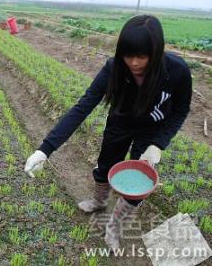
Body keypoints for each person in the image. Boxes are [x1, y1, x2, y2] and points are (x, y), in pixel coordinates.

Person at [24, 15, 192, 249]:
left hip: (152, 130)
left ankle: (114, 226)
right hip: (121, 122)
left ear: (156, 51)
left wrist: (158, 144)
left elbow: (181, 110)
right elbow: (82, 107)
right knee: (105, 167)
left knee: (140, 181)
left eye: (142, 56)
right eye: (128, 55)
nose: (134, 63)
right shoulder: (114, 68)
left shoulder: (177, 71)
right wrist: (44, 150)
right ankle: (99, 201)